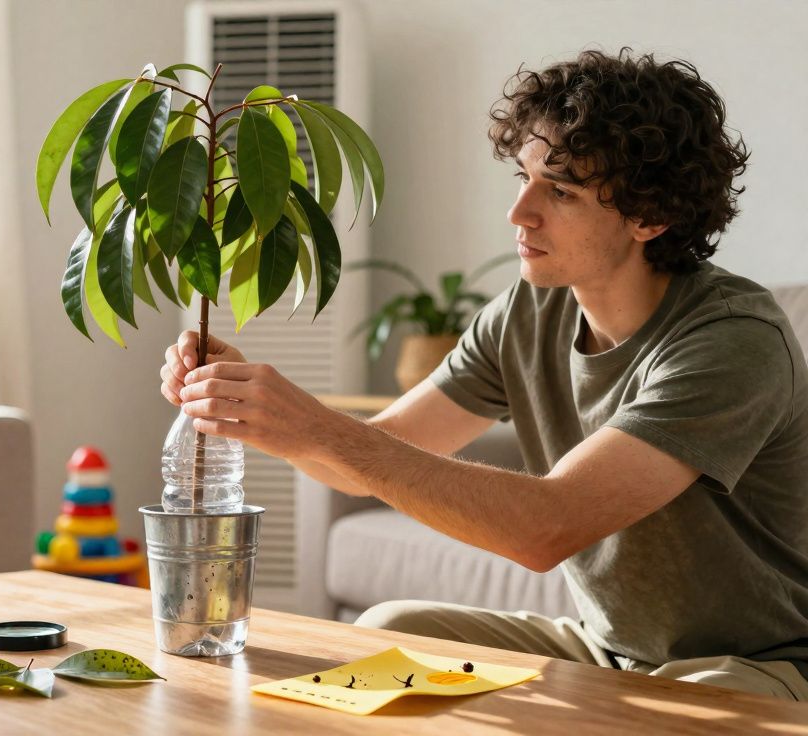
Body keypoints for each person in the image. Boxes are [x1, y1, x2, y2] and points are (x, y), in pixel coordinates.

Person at [158, 48, 808, 701]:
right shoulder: (530, 313)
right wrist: (251, 407)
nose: (520, 213)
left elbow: (547, 527)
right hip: (606, 647)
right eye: (523, 178)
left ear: (650, 216)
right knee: (388, 632)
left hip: (756, 664)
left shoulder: (733, 340)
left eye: (561, 191)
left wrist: (320, 428)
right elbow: (368, 457)